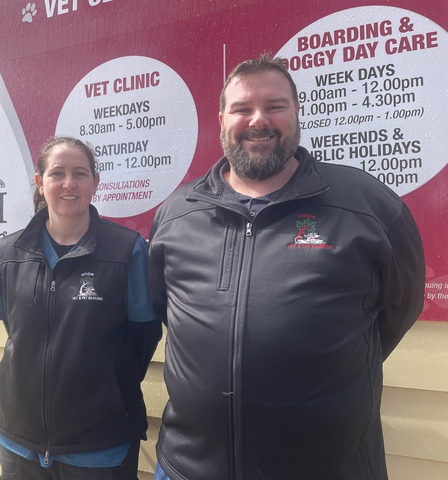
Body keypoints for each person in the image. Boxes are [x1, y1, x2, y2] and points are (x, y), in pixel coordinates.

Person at [148, 54, 425, 480]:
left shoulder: (367, 205)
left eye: (274, 106)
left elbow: (397, 309)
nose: (258, 119)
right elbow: (165, 308)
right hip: (188, 468)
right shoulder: (177, 213)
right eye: (242, 108)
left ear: (297, 112)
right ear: (222, 120)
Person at [0, 136, 161, 480]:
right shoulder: (9, 253)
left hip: (99, 446)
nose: (68, 183)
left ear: (95, 182)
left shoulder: (127, 250)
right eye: (57, 173)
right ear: (40, 182)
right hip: (18, 439)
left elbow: (144, 335)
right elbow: (16, 330)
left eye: (80, 173)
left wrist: (106, 383)